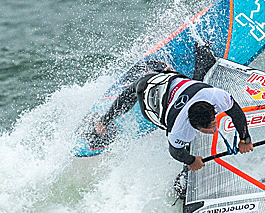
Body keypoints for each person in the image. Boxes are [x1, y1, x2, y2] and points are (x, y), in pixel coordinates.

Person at [91, 42, 253, 170]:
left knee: (195, 81)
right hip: (152, 101)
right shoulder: (180, 130)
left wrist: (245, 138)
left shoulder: (216, 97)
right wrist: (191, 161)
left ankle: (196, 54)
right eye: (209, 128)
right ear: (194, 125)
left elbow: (236, 112)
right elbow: (175, 152)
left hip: (174, 84)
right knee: (137, 87)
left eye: (213, 123)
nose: (214, 129)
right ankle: (102, 122)